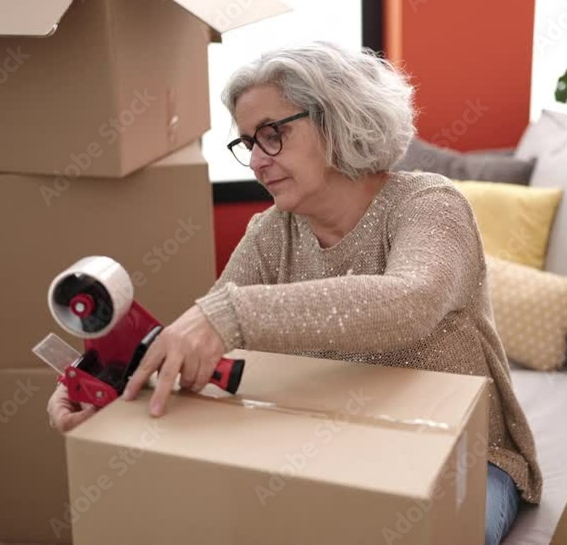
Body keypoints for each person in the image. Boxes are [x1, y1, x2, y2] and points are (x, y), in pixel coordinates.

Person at [47, 42, 541, 545]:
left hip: (467, 454)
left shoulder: (429, 205)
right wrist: (112, 384)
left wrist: (228, 315)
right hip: (343, 447)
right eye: (247, 143)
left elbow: (407, 303)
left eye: (273, 135)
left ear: (336, 119)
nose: (258, 162)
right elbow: (202, 341)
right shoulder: (271, 233)